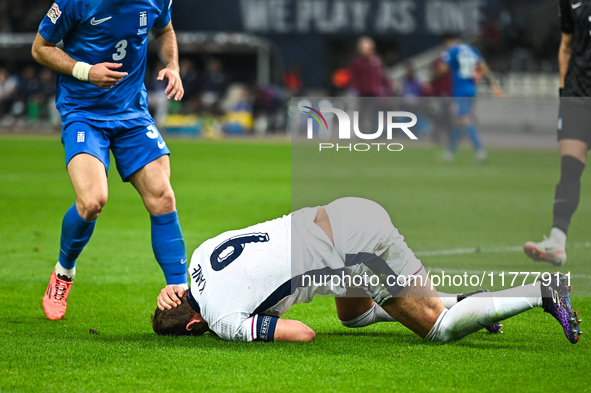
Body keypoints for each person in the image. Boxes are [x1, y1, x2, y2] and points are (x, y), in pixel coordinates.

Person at [152, 198, 581, 343]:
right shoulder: (199, 258)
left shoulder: (223, 320)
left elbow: (303, 333)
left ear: (193, 326)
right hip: (341, 214)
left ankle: (541, 291)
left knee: (438, 330)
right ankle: (477, 305)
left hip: (356, 247)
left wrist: (241, 331)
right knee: (352, 316)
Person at [32, 0, 188, 320]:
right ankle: (64, 273)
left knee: (163, 197)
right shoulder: (75, 3)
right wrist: (85, 71)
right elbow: (40, 48)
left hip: (132, 114)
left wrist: (172, 65)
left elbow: (166, 30)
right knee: (92, 201)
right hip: (84, 113)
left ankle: (183, 296)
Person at [524, 0, 590, 266]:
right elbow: (566, 46)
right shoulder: (570, 2)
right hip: (576, 97)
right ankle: (556, 242)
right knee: (570, 169)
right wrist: (564, 91)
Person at [436, 33, 504, 163]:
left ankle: (480, 151)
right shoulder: (472, 49)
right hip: (471, 90)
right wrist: (494, 85)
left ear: (448, 41)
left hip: (460, 91)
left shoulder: (452, 50)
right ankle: (450, 152)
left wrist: (431, 79)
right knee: (458, 121)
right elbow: (483, 67)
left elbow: (443, 69)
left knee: (465, 121)